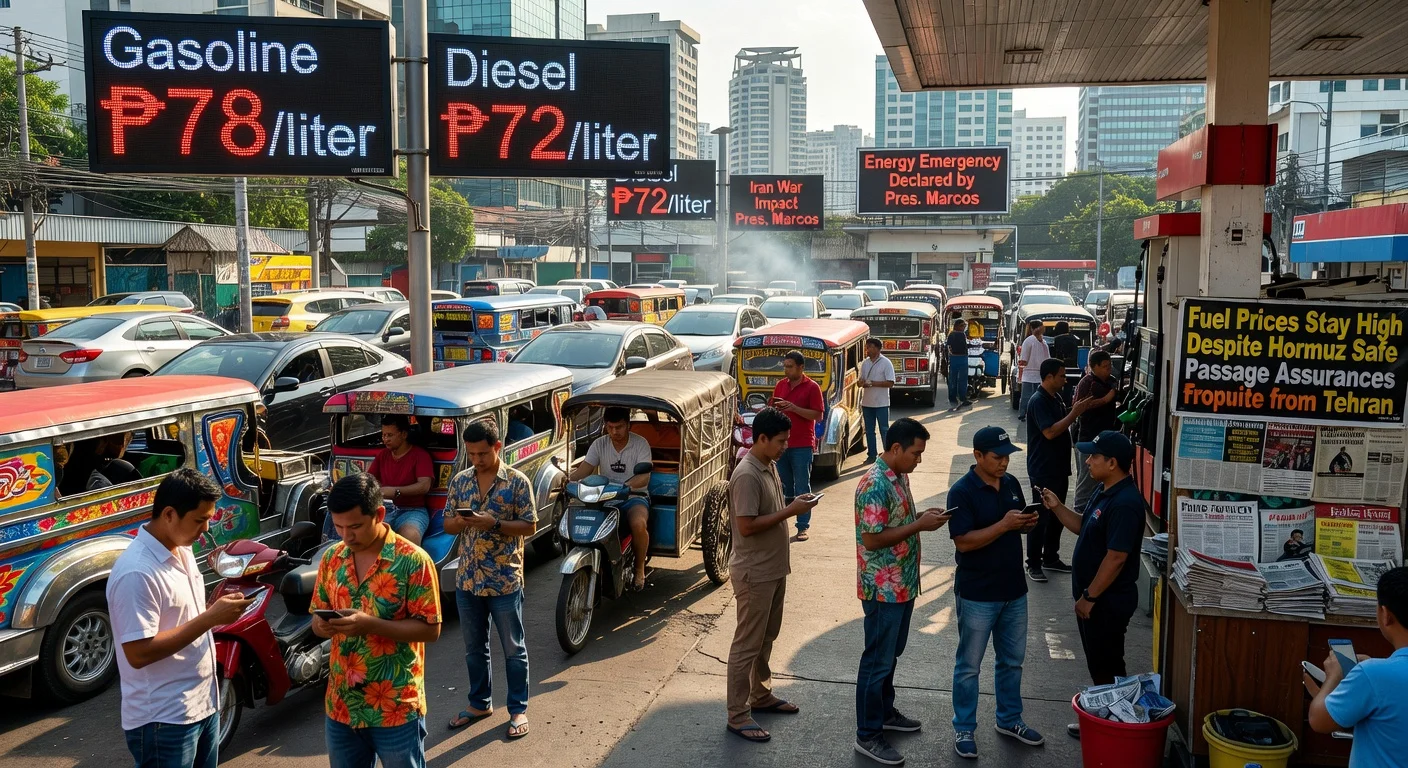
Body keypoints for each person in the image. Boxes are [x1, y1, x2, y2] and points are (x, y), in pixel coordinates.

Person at [108, 468, 252, 768]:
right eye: (200, 520)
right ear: (170, 514)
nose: (207, 529)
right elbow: (138, 652)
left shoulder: (181, 550)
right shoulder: (136, 572)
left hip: (203, 704)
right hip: (163, 719)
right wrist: (210, 618)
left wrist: (216, 612)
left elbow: (183, 618)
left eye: (209, 519)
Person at [312, 473, 442, 768]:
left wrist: (369, 624)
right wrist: (322, 626)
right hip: (341, 706)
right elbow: (317, 619)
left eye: (355, 526)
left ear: (379, 514)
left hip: (394, 706)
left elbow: (431, 629)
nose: (347, 535)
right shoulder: (332, 558)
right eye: (339, 526)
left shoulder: (413, 561)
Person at [1036, 431, 1145, 739]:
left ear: (1112, 463)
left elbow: (1116, 558)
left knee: (1108, 666)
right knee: (1099, 664)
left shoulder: (1124, 503)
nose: (1088, 460)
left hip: (1105, 602)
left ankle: (1115, 730)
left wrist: (1089, 596)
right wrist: (1057, 506)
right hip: (1095, 599)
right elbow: (1084, 525)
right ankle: (1105, 720)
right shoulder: (1105, 490)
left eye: (1094, 456)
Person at [853, 418, 950, 765]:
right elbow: (872, 538)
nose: (918, 460)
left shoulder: (899, 476)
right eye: (915, 453)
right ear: (896, 449)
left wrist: (922, 516)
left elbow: (895, 523)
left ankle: (885, 713)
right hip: (883, 590)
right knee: (876, 661)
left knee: (890, 656)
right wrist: (918, 525)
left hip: (902, 585)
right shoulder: (875, 483)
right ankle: (868, 734)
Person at [725, 407, 821, 743]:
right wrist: (791, 511)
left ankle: (761, 695)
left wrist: (796, 503)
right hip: (755, 572)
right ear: (761, 438)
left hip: (773, 568)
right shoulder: (748, 474)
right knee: (747, 644)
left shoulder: (769, 466)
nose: (785, 447)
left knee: (766, 637)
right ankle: (738, 715)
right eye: (780, 441)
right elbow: (746, 526)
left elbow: (772, 511)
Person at [947, 426, 1044, 759]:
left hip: (1014, 590)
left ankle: (1009, 719)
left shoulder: (1012, 483)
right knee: (969, 667)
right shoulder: (961, 492)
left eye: (1007, 457)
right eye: (997, 457)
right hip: (977, 594)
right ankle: (964, 728)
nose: (1004, 463)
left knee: (1012, 663)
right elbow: (963, 541)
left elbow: (1014, 525)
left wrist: (1025, 524)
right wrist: (1004, 525)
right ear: (978, 456)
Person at [444, 420, 536, 739]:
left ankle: (518, 709)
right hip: (468, 579)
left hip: (504, 580)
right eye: (472, 454)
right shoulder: (460, 481)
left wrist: (493, 523)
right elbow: (446, 525)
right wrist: (461, 521)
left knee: (513, 648)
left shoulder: (517, 482)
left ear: (497, 447)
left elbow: (529, 526)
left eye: (483, 453)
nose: (477, 459)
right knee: (474, 649)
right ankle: (479, 703)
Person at [1305, 566, 1408, 768]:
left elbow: (1318, 720)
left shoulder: (1373, 674)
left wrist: (1333, 677)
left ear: (1385, 614)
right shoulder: (1375, 674)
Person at [1024, 358, 1093, 583]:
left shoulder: (1056, 398)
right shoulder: (1038, 401)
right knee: (1040, 517)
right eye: (1062, 376)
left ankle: (1050, 557)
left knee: (1057, 515)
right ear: (1049, 377)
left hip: (1059, 468)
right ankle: (1033, 563)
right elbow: (1050, 433)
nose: (1065, 380)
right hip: (1043, 469)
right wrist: (1075, 413)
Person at [569, 406, 653, 589]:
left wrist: (625, 487)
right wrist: (566, 480)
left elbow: (644, 476)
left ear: (628, 425)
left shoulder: (641, 444)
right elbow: (584, 469)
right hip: (603, 497)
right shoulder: (599, 444)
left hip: (633, 497)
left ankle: (639, 569)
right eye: (610, 427)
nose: (615, 432)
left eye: (620, 427)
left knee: (638, 524)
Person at [772, 350, 825, 541]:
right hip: (781, 444)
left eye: (790, 367)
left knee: (802, 485)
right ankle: (782, 522)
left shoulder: (812, 387)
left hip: (802, 443)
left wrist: (794, 408)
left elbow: (818, 415)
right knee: (784, 484)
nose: (786, 370)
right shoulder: (780, 385)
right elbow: (773, 408)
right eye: (785, 366)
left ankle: (802, 526)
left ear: (801, 367)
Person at [358, 415, 434, 546]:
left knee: (409, 537)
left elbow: (424, 485)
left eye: (389, 435)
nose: (385, 439)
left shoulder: (420, 455)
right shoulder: (383, 455)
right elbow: (368, 479)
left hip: (413, 511)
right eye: (383, 435)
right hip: (385, 508)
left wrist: (396, 491)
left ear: (403, 434)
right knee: (368, 534)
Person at [1071, 350, 1120, 512]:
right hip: (1087, 438)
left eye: (1110, 365)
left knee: (1099, 478)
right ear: (1094, 367)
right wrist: (1105, 399)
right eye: (1105, 366)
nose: (1109, 369)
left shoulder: (1111, 382)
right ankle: (1080, 511)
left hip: (1103, 438)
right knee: (1086, 478)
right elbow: (1079, 407)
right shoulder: (1087, 382)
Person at [859, 338, 896, 464]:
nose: (867, 350)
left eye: (870, 347)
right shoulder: (865, 363)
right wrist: (861, 383)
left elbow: (890, 383)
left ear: (877, 348)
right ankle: (872, 455)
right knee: (869, 431)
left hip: (881, 403)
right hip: (867, 402)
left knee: (884, 429)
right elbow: (861, 380)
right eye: (867, 347)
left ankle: (887, 455)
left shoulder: (886, 363)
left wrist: (873, 383)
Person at [1016, 320, 1049, 421]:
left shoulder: (1043, 342)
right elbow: (1024, 360)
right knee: (1027, 396)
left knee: (1035, 397)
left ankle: (1033, 414)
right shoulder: (1029, 341)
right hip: (1030, 374)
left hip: (1039, 374)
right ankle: (1023, 414)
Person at [946, 318, 973, 412]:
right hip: (956, 359)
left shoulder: (962, 335)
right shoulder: (953, 334)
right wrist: (951, 356)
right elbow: (949, 347)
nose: (963, 328)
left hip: (962, 358)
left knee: (962, 380)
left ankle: (962, 398)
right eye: (962, 326)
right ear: (956, 326)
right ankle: (954, 399)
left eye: (964, 326)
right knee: (954, 380)